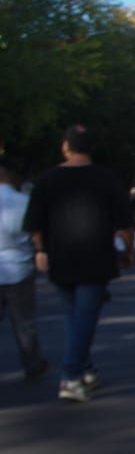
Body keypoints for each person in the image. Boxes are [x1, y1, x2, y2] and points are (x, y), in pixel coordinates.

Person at [23, 124, 133, 402]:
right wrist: (128, 251)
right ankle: (71, 376)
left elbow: (34, 224)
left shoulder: (47, 179)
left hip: (60, 256)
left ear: (65, 146)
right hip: (95, 257)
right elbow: (124, 225)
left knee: (74, 316)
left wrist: (41, 250)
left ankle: (85, 369)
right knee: (84, 317)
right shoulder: (106, 178)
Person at [0, 156, 47, 381]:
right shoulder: (23, 201)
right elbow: (35, 233)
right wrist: (40, 251)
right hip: (18, 266)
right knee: (24, 322)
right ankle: (32, 362)